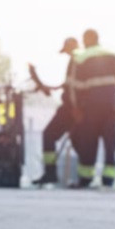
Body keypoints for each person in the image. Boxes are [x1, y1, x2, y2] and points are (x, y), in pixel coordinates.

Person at [66, 28, 115, 188]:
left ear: (85, 40)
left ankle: (86, 178)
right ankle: (108, 179)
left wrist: (76, 108)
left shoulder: (81, 58)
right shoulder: (113, 55)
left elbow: (74, 87)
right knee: (110, 143)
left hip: (90, 108)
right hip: (111, 106)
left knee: (88, 142)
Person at [30, 37, 81, 186]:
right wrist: (50, 87)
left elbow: (73, 88)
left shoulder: (76, 61)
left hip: (71, 108)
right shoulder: (77, 62)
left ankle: (51, 172)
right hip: (73, 108)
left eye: (67, 51)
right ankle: (81, 177)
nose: (66, 54)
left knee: (49, 135)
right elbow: (68, 85)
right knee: (78, 142)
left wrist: (75, 108)